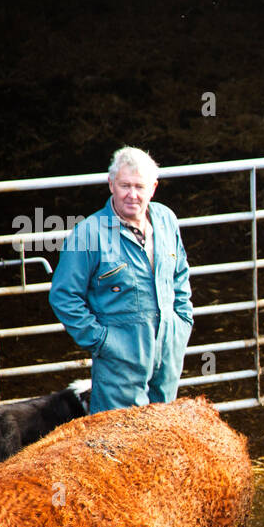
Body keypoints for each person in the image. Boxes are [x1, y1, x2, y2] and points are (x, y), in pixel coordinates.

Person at [50, 146, 193, 413]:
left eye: (140, 186)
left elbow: (180, 275)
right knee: (119, 440)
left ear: (153, 188)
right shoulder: (89, 233)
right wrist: (102, 341)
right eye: (124, 185)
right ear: (110, 184)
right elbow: (64, 295)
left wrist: (182, 322)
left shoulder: (166, 221)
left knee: (164, 432)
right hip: (120, 362)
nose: (132, 195)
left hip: (167, 351)